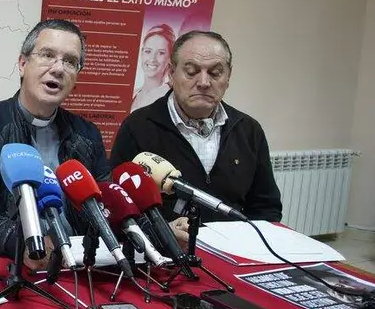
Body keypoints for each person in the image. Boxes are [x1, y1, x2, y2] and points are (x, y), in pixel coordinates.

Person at [0, 19, 110, 259]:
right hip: (3, 261)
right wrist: (21, 244)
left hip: (72, 262)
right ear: (23, 64)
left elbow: (106, 205)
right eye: (47, 55)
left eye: (70, 61)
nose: (58, 69)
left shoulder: (87, 135)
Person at [110, 30, 282, 243]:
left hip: (233, 250)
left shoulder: (248, 131)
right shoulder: (138, 127)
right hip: (166, 253)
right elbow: (117, 206)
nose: (203, 82)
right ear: (171, 74)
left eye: (215, 73)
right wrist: (160, 233)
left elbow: (266, 208)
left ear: (228, 77)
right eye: (191, 71)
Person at [129, 23, 176, 112]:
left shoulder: (169, 98)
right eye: (148, 51)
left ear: (170, 57)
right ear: (142, 52)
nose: (152, 59)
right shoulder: (133, 94)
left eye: (161, 53)